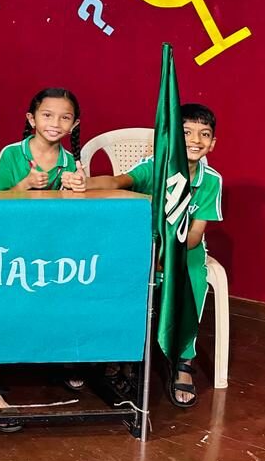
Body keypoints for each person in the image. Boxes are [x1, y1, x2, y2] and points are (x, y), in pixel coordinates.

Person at [87, 103, 222, 407]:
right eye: (186, 132)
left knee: (193, 281)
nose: (195, 140)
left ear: (213, 143)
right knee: (123, 278)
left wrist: (167, 256)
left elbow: (195, 236)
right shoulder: (154, 167)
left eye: (204, 134)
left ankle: (183, 361)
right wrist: (84, 182)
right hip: (144, 246)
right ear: (171, 137)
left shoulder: (211, 180)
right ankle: (122, 353)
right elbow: (118, 181)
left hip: (184, 251)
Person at [0, 87, 87, 401]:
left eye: (64, 117)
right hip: (8, 246)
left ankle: (68, 358)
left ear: (74, 124)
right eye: (47, 115)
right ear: (31, 119)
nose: (55, 123)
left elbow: (71, 218)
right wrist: (24, 185)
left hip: (50, 248)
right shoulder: (11, 154)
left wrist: (75, 190)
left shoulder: (70, 162)